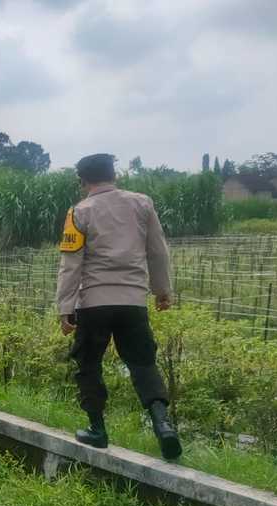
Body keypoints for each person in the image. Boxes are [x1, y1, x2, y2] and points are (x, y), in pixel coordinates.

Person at [55, 153, 182, 460]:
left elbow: (71, 264)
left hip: (93, 303)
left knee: (89, 364)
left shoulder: (79, 212)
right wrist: (162, 290)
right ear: (115, 175)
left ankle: (97, 430)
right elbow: (158, 251)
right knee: (143, 363)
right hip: (133, 302)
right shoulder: (142, 204)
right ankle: (163, 424)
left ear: (82, 181)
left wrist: (65, 307)